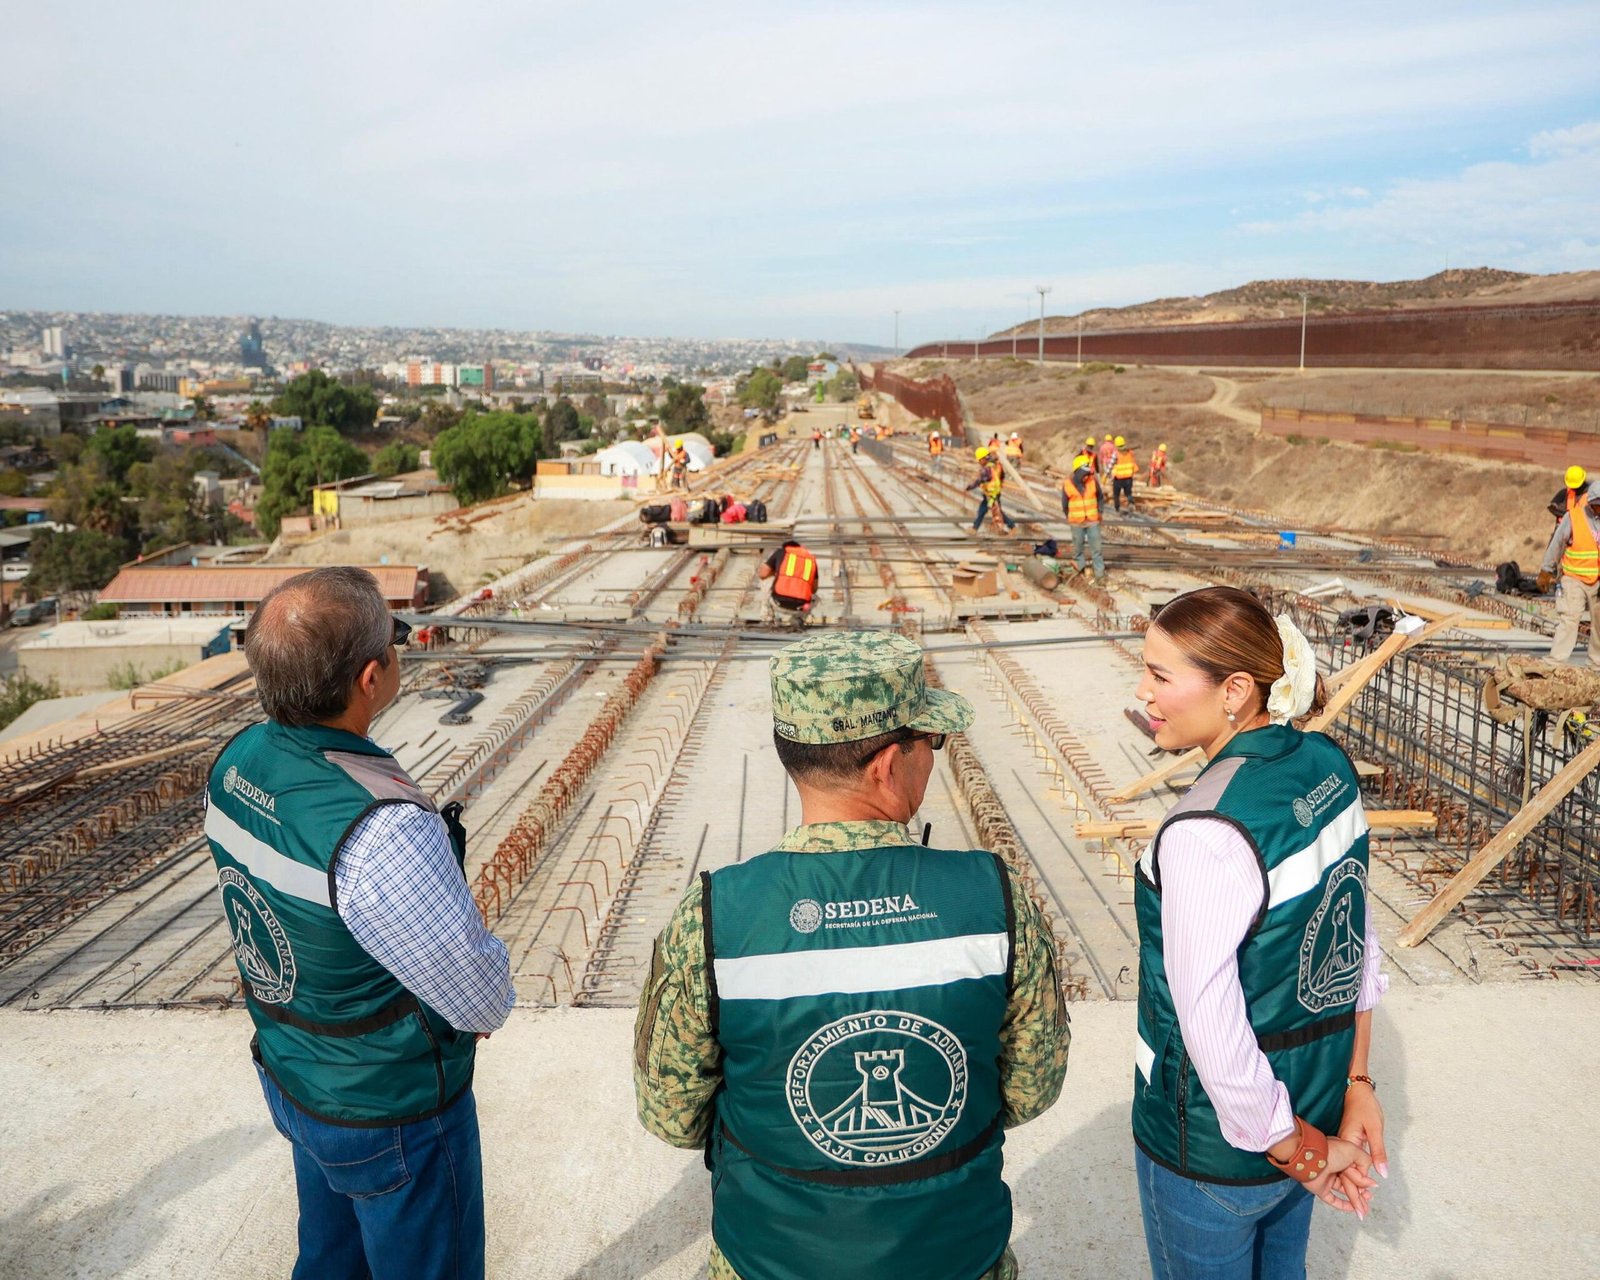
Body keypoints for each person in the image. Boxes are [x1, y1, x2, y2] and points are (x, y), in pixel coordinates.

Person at [633, 631, 1070, 1280]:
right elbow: (1032, 1088)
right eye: (933, 743)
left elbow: (671, 1114)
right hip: (955, 1258)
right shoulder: (995, 900)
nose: (934, 758)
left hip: (771, 1261)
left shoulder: (715, 917)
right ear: (888, 764)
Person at [205, 566, 513, 1280]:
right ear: (371, 677)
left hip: (294, 1073)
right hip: (389, 1109)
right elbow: (478, 997)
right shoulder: (380, 829)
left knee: (328, 1260)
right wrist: (484, 992)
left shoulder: (236, 762)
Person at [1130, 586, 1388, 1280]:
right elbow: (1358, 938)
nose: (1144, 692)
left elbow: (1211, 1027)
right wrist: (1354, 1084)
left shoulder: (1207, 831)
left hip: (1220, 1151)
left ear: (1237, 689)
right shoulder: (1328, 768)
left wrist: (1296, 1150)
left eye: (1160, 675)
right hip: (1310, 1107)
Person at [1538, 485, 1600, 664]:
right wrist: (1546, 570)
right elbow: (1557, 543)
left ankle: (1596, 666)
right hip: (1574, 578)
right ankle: (1555, 662)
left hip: (1598, 581)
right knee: (1569, 618)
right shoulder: (1574, 517)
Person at [1062, 453, 1105, 582]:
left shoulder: (1093, 481)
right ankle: (1079, 570)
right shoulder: (1068, 484)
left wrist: (1100, 512)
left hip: (1092, 520)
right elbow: (1064, 504)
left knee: (1096, 549)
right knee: (1078, 549)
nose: (1087, 475)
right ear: (1078, 472)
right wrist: (1072, 517)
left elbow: (1100, 497)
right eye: (1085, 472)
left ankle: (1099, 575)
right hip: (1076, 522)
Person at [759, 538, 819, 621]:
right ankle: (798, 619)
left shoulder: (781, 552)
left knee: (765, 580)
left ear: (786, 547)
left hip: (777, 603)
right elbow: (814, 589)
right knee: (815, 598)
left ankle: (767, 616)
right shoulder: (811, 560)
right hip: (801, 608)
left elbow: (762, 574)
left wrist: (776, 573)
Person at [968, 446, 1015, 534]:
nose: (979, 462)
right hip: (993, 492)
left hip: (991, 494)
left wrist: (970, 487)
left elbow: (979, 480)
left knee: (996, 511)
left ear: (983, 458)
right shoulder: (997, 465)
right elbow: (1002, 476)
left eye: (979, 460)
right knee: (983, 510)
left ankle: (1012, 527)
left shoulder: (987, 468)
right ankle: (974, 528)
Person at [1111, 436, 1138, 513]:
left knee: (1116, 494)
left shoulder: (1116, 454)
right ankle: (1130, 503)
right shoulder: (1130, 452)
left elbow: (1111, 464)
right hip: (1128, 477)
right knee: (1128, 493)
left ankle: (1117, 509)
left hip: (1118, 478)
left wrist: (1107, 473)